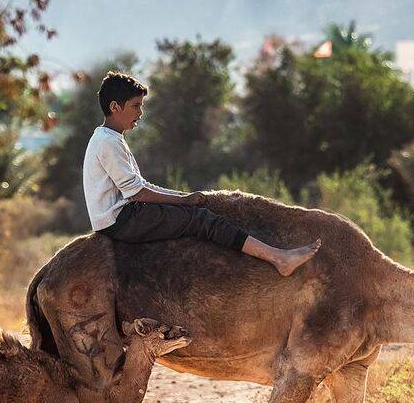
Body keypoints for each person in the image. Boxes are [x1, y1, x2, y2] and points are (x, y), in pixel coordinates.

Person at [83, 71, 320, 275]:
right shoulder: (108, 142)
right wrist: (182, 200)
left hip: (125, 214)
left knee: (192, 209)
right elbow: (136, 192)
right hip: (121, 220)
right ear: (115, 107)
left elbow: (141, 185)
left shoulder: (110, 138)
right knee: (202, 220)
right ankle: (278, 258)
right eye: (136, 106)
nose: (141, 113)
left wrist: (182, 197)